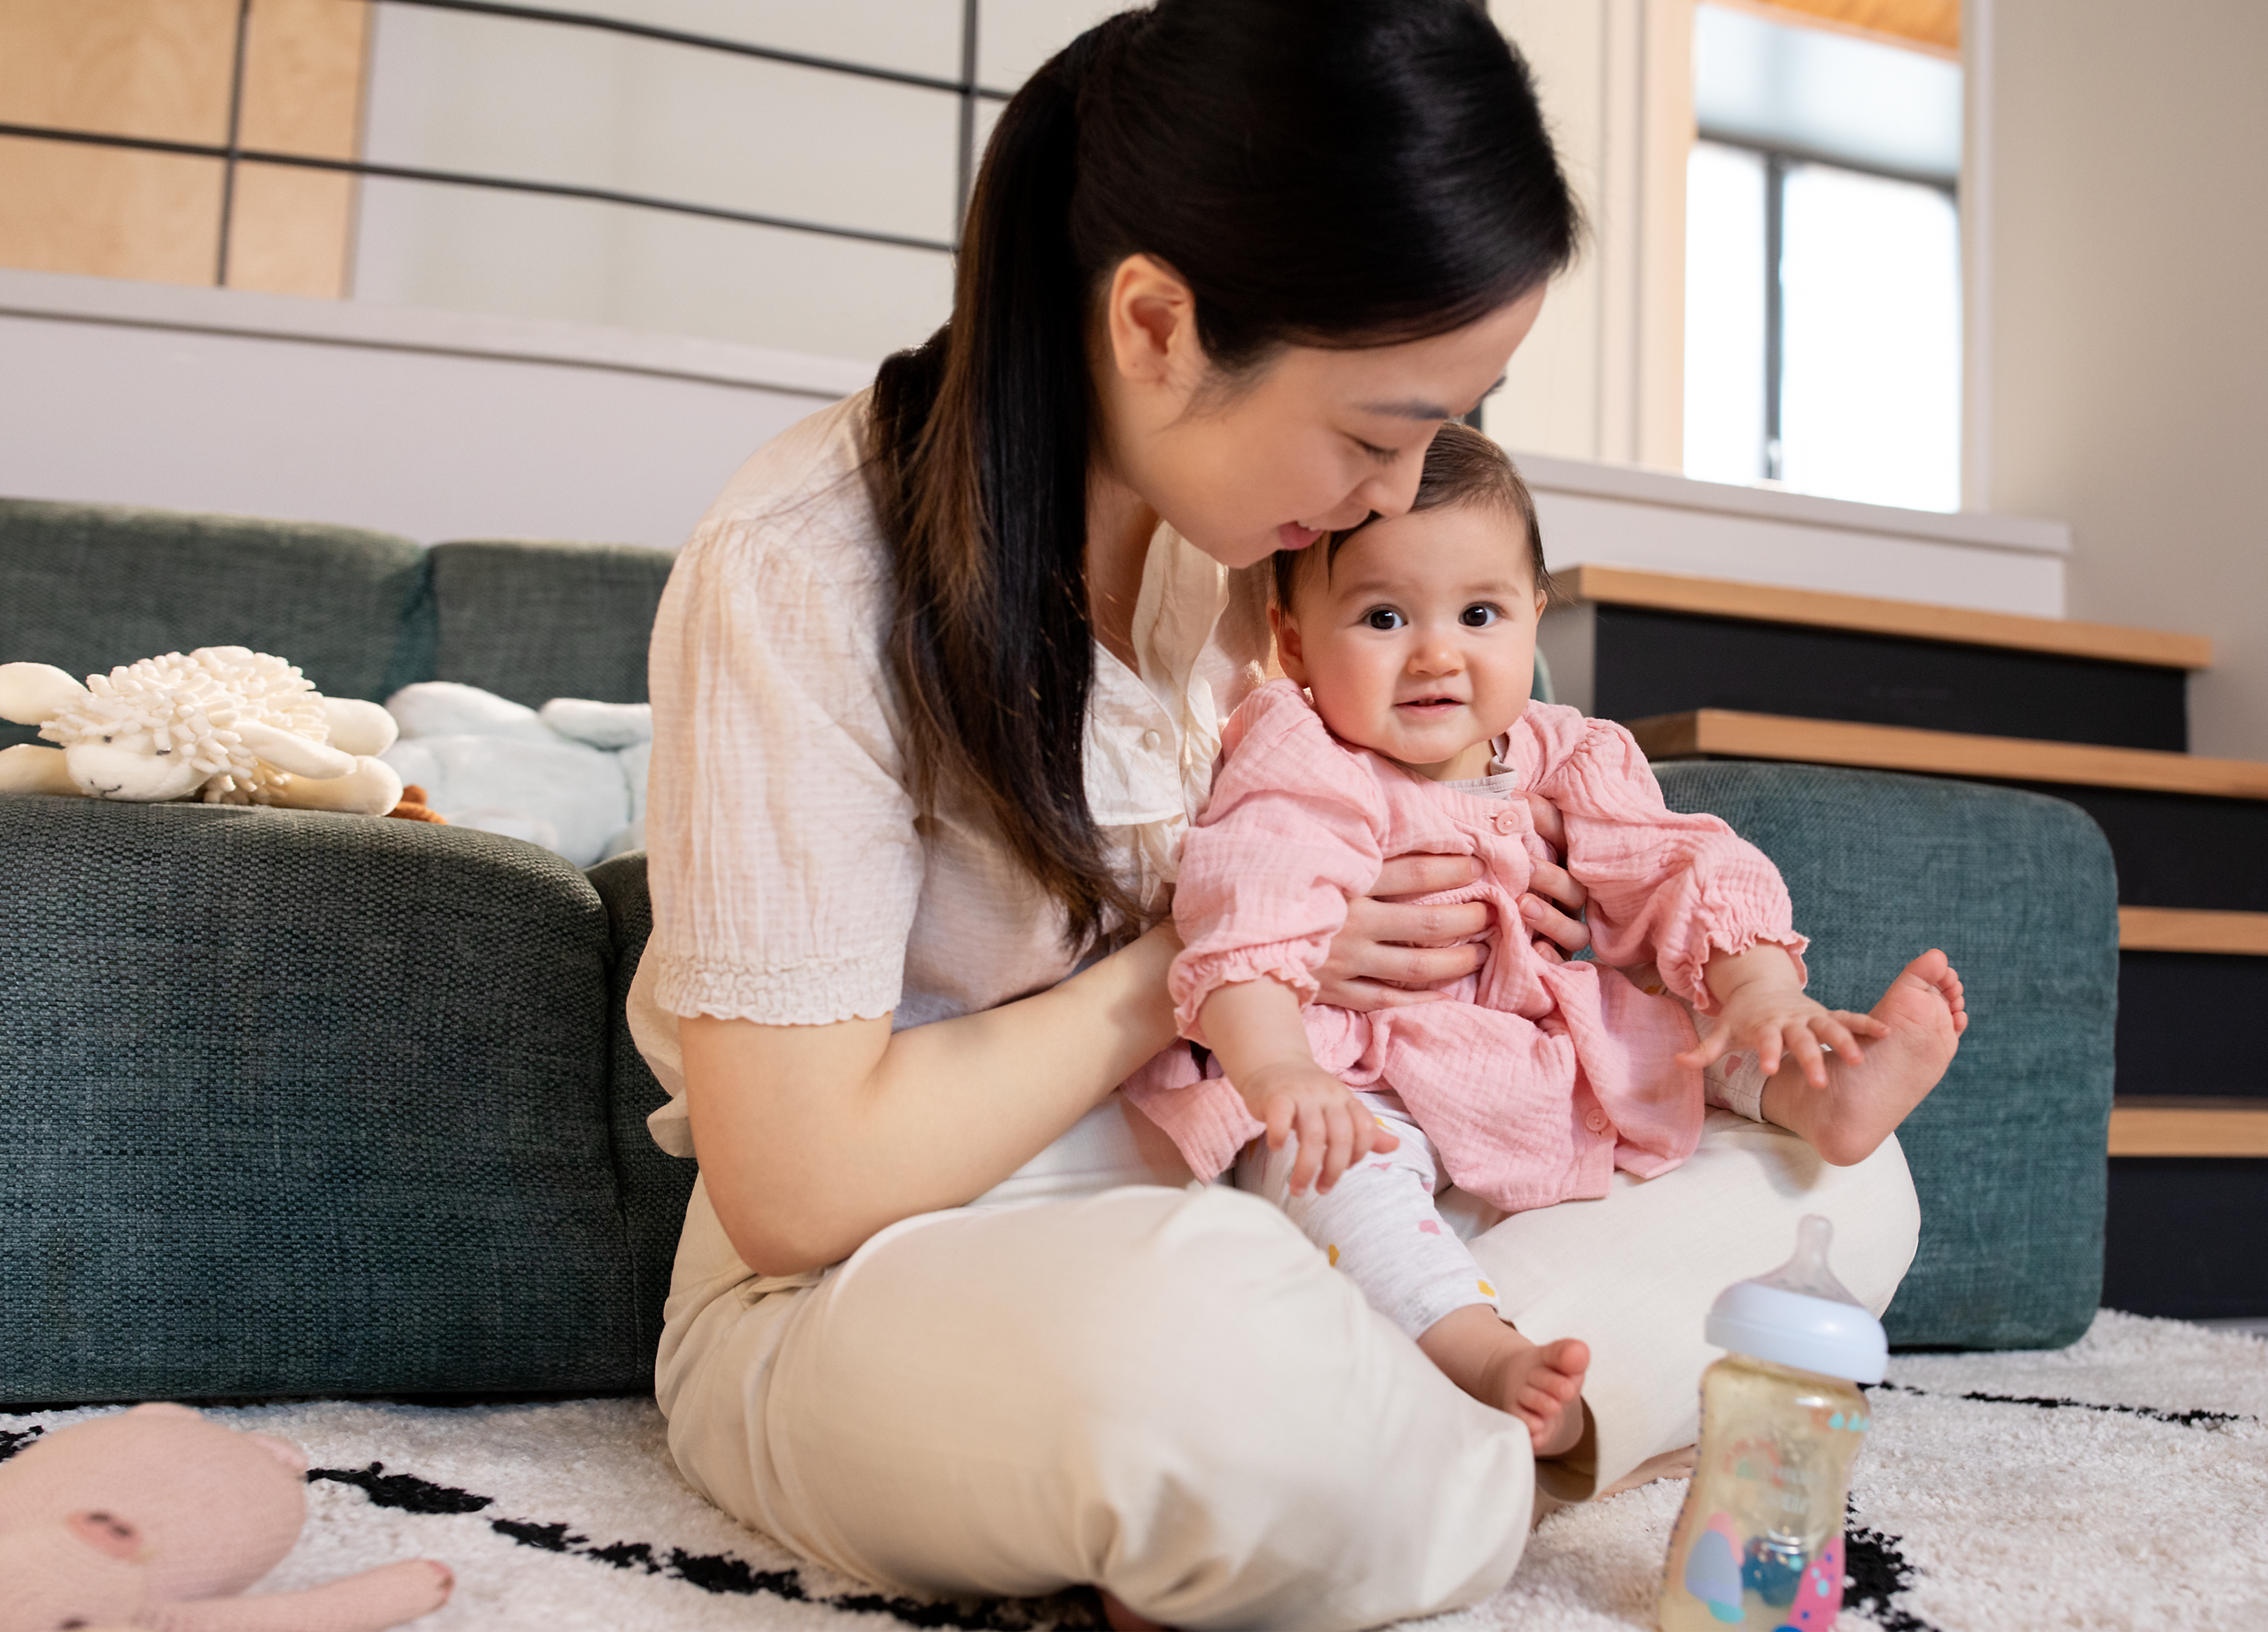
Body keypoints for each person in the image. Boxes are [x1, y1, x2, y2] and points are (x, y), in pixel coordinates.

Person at [628, 3, 1929, 1626]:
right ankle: (1459, 1455)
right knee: (1203, 1347)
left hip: (1303, 1180)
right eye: (1376, 433)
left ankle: (1402, 1445)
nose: (1393, 504)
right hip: (919, 1265)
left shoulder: (1255, 553)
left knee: (1833, 1190)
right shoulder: (804, 574)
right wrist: (1215, 957)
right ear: (1157, 324)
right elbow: (798, 1189)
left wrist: (1606, 969)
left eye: (1448, 430)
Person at [1134, 424, 1967, 1460]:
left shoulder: (1566, 755)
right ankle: (1476, 1345)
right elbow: (1247, 921)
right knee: (1325, 1172)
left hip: (1545, 1052)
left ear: (1536, 617)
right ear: (1295, 641)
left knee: (1684, 1025)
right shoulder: (1306, 757)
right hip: (1371, 1070)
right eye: (1385, 616)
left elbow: (1680, 864)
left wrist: (1757, 985)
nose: (1438, 652)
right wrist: (1278, 1069)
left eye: (1479, 613)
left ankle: (1809, 1088)